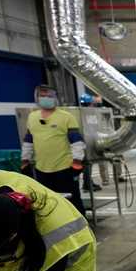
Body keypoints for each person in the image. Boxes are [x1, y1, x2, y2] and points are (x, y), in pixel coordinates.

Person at [21, 85, 86, 216]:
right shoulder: (32, 117)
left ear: (56, 98)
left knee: (72, 202)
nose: (46, 98)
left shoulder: (66, 117)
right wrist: (25, 160)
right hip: (42, 169)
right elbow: (28, 141)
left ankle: (81, 228)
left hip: (64, 168)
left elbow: (77, 142)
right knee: (48, 202)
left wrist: (77, 162)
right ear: (37, 98)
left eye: (49, 96)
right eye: (42, 96)